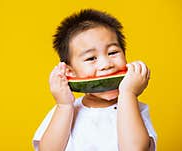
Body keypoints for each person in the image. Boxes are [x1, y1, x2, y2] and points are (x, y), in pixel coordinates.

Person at [32, 9, 157, 151]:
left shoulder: (135, 108)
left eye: (113, 52)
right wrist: (64, 106)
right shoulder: (63, 111)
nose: (106, 65)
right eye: (91, 58)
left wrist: (128, 94)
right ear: (70, 72)